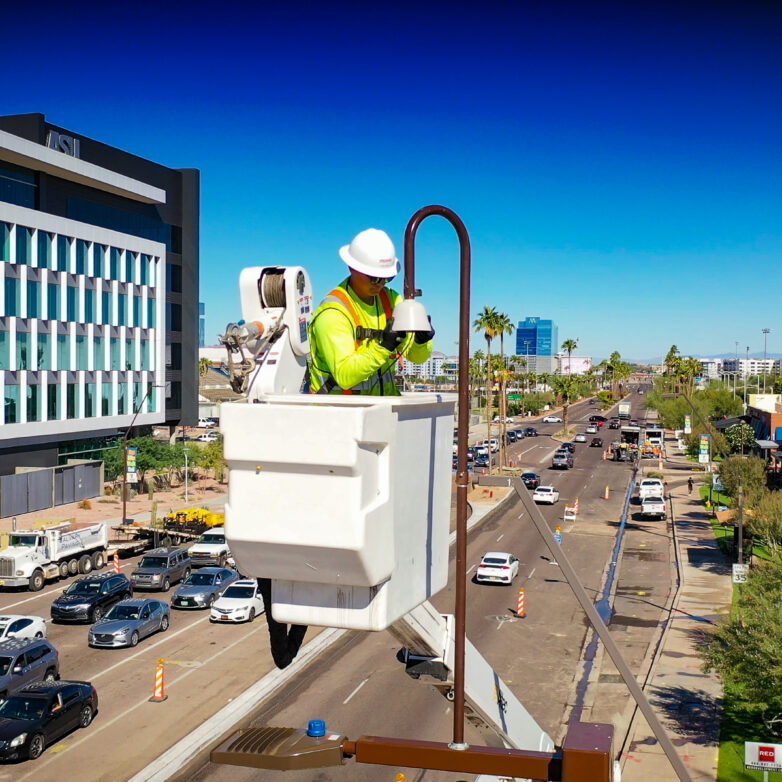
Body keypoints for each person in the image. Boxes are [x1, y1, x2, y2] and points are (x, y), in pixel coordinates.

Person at [309, 228, 434, 394]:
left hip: (383, 411)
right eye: (374, 277)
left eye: (387, 278)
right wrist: (384, 347)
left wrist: (421, 342)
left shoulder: (391, 301)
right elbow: (344, 376)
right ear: (352, 267)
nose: (380, 283)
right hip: (340, 412)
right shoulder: (333, 313)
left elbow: (417, 358)